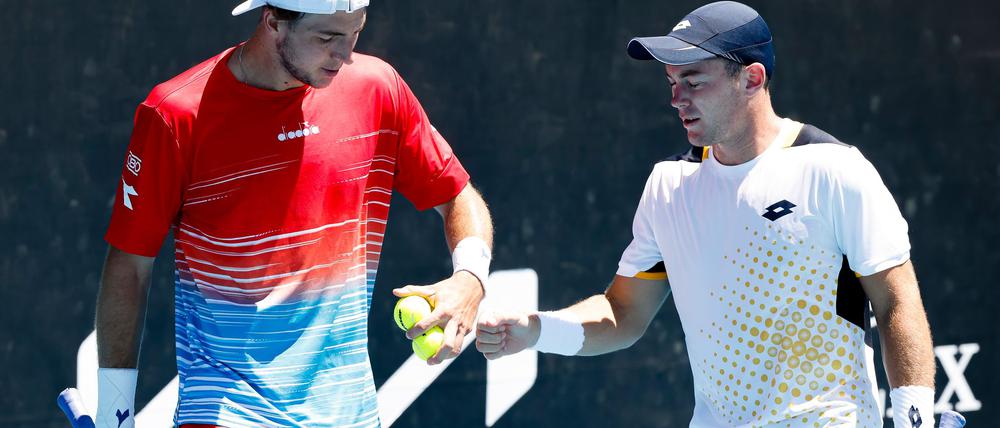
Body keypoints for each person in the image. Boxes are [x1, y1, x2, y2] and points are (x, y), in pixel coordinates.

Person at [476, 2, 937, 427]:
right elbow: (622, 314)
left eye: (694, 81)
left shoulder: (834, 169)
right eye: (672, 83)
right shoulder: (668, 187)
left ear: (752, 79)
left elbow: (896, 301)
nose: (677, 99)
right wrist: (536, 331)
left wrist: (913, 418)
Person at [95, 0, 493, 426]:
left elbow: (457, 195)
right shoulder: (174, 116)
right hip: (226, 409)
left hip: (351, 413)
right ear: (273, 23)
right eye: (327, 38)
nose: (344, 54)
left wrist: (470, 277)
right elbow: (130, 266)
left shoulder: (377, 88)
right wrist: (113, 413)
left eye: (355, 33)